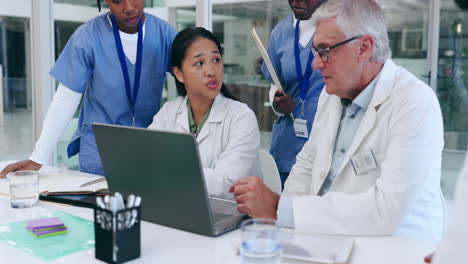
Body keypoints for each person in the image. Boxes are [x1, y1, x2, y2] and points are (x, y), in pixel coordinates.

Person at [230, 0, 446, 241]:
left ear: (364, 48)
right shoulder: (331, 95)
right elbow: (307, 165)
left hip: (393, 248)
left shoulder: (414, 102)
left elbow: (388, 210)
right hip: (327, 241)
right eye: (314, 52)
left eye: (325, 50)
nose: (315, 63)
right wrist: (280, 229)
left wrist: (281, 209)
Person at [0, 0, 176, 177]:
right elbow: (65, 100)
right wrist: (38, 158)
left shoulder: (164, 35)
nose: (129, 8)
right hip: (101, 153)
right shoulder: (87, 37)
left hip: (149, 149)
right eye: (116, 0)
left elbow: (191, 83)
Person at [148, 27, 261, 199]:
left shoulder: (241, 117)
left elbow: (227, 183)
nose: (211, 71)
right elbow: (144, 159)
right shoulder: (169, 112)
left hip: (234, 216)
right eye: (199, 63)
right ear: (178, 73)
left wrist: (168, 171)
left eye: (216, 60)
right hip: (181, 205)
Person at [262, 0, 326, 187]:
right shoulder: (280, 33)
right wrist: (277, 102)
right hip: (289, 140)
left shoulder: (339, 28)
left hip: (324, 139)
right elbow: (275, 81)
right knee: (284, 209)